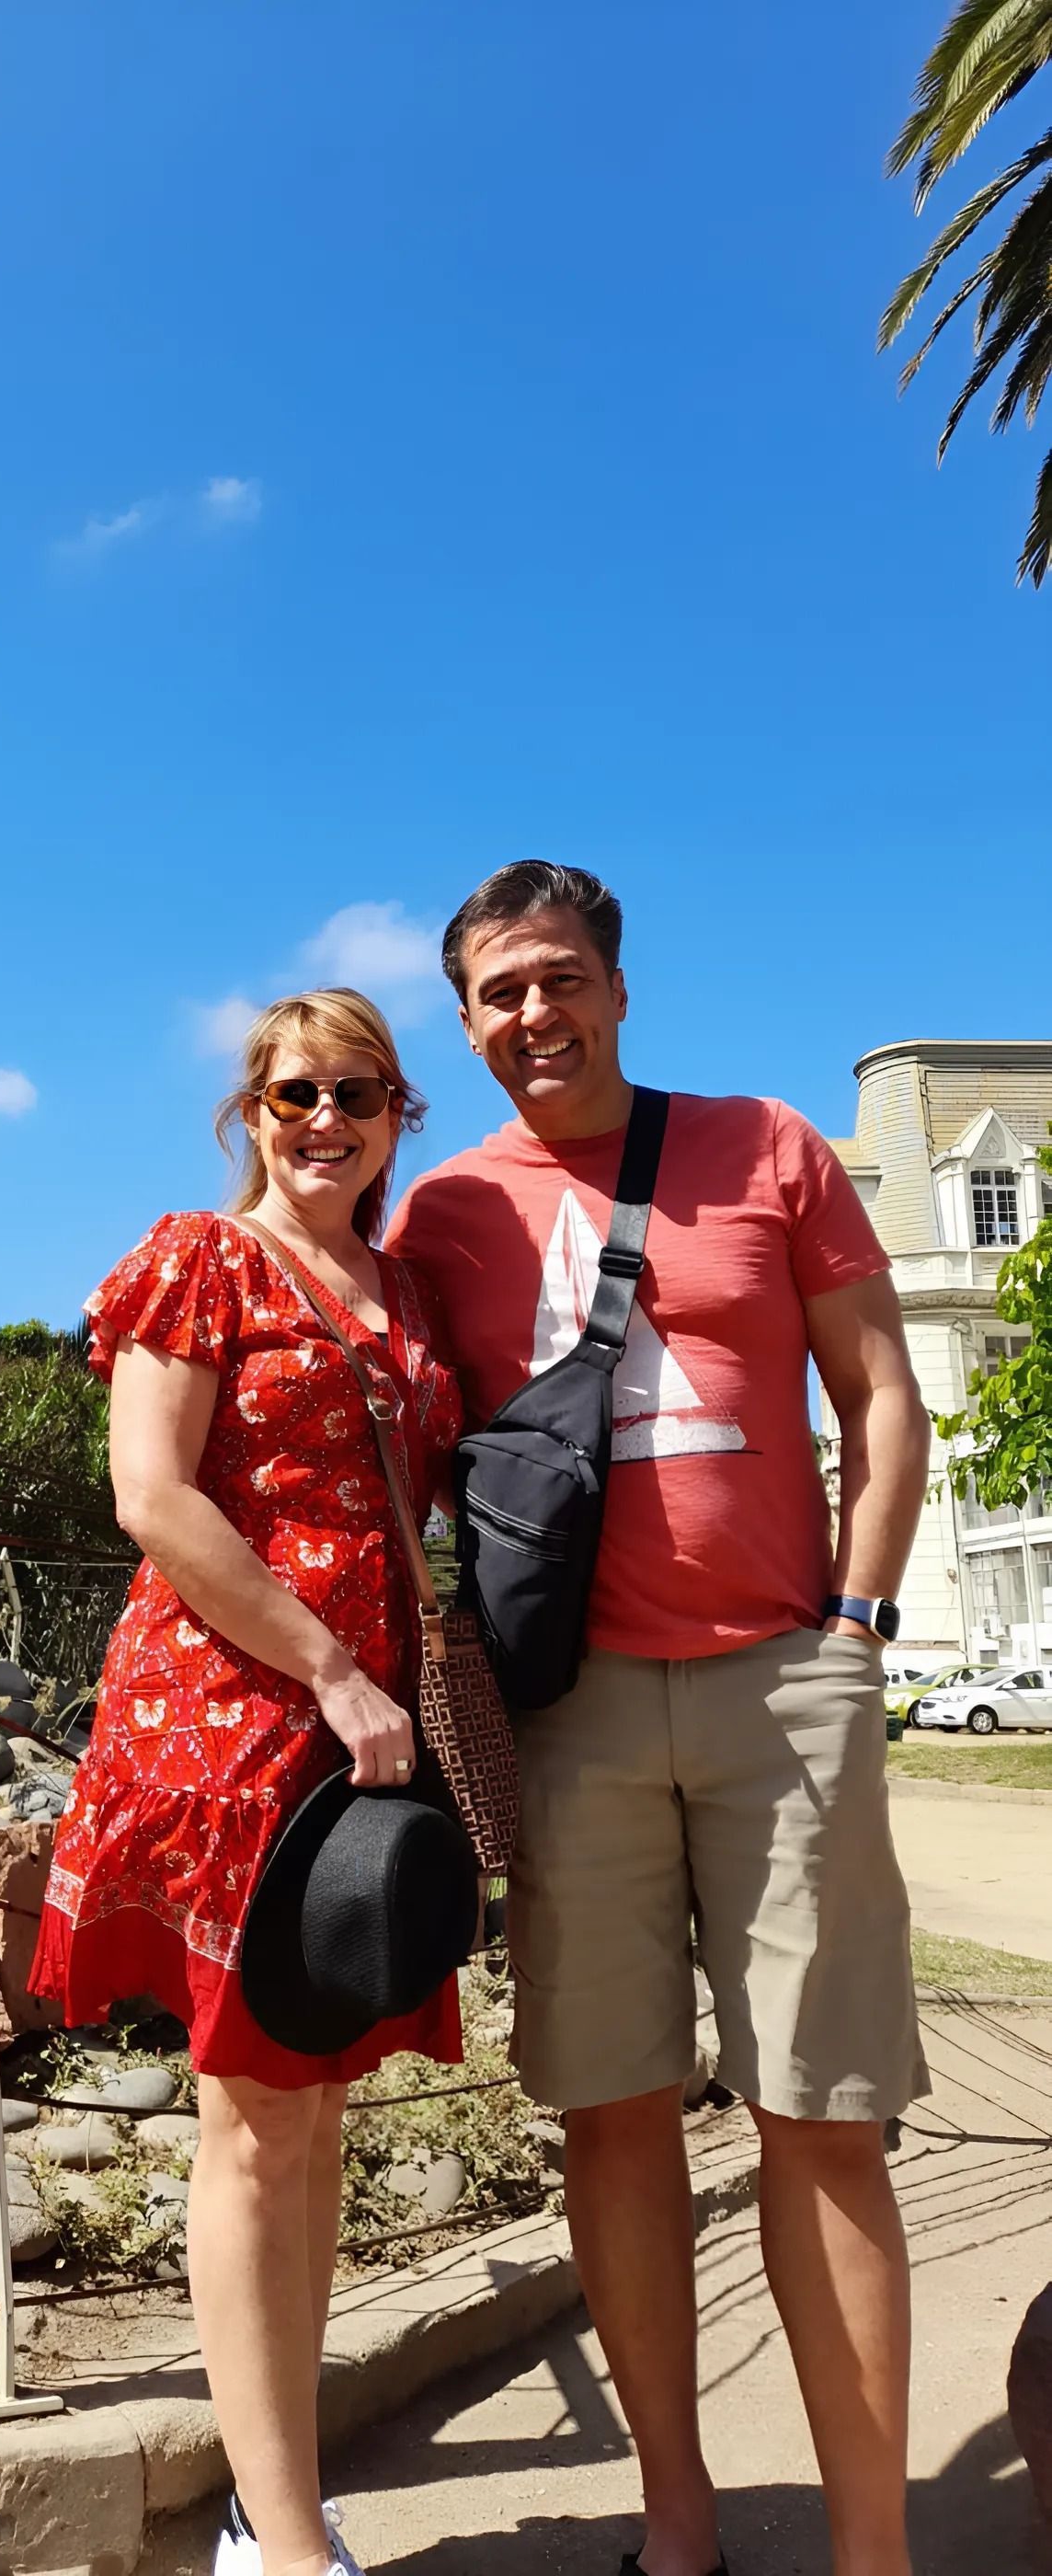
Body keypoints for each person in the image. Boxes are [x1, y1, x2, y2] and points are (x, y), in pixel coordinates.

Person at [384, 861, 930, 2576]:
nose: (530, 1017)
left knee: (824, 2117)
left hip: (785, 1680)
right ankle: (676, 2530)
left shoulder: (764, 1147)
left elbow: (881, 1394)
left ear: (616, 987)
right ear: (463, 1022)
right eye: (495, 995)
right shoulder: (445, 1217)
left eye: (556, 981)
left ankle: (871, 2551)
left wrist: (853, 1621)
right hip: (575, 1719)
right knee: (610, 2113)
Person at [31, 987, 463, 2576]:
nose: (324, 1119)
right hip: (235, 1723)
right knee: (256, 2122)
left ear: (397, 1109)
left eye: (356, 1091)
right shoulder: (195, 1258)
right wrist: (331, 1666)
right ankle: (281, 2536)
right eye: (293, 1095)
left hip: (366, 1737)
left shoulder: (404, 1290)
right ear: (247, 1112)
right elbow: (152, 1495)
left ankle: (272, 2493)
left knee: (317, 2112)